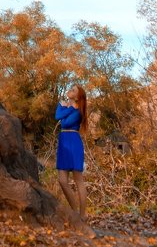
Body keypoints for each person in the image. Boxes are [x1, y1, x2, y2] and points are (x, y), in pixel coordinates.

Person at [55, 84, 88, 219]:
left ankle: (82, 214)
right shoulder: (69, 107)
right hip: (63, 143)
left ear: (77, 97)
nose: (69, 90)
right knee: (62, 180)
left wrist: (64, 106)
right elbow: (58, 116)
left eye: (73, 90)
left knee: (78, 180)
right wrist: (63, 105)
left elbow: (64, 121)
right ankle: (74, 210)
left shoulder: (78, 111)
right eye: (70, 88)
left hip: (74, 142)